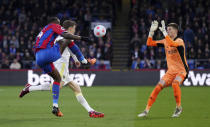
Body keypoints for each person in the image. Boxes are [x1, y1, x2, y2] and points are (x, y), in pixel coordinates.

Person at [19, 20, 104, 118]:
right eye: (74, 28)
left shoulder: (59, 36)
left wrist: (76, 59)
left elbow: (71, 48)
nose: (75, 30)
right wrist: (85, 61)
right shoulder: (66, 36)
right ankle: (30, 89)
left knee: (76, 88)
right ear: (70, 28)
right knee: (56, 86)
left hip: (60, 65)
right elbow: (74, 48)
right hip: (61, 66)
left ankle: (91, 111)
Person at [138, 20, 189, 118]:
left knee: (175, 84)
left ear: (175, 31)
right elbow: (149, 43)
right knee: (158, 87)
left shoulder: (179, 41)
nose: (167, 31)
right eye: (167, 30)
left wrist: (164, 33)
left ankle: (178, 107)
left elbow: (171, 44)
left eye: (169, 30)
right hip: (170, 72)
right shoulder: (165, 41)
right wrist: (151, 32)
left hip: (182, 71)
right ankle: (146, 110)